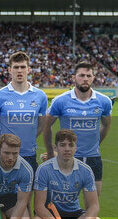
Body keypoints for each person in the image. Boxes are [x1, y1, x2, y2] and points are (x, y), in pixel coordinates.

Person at [30, 129, 109, 219]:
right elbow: (39, 206)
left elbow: (94, 205)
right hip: (50, 214)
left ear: (76, 148)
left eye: (71, 145)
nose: (67, 149)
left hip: (73, 214)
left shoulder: (85, 170)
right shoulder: (44, 169)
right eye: (63, 145)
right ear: (56, 147)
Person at [44, 61, 112, 195]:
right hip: (67, 158)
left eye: (88, 75)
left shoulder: (104, 101)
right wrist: (51, 151)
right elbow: (46, 126)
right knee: (63, 201)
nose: (85, 79)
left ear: (93, 78)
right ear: (74, 77)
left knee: (93, 201)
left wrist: (96, 143)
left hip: (93, 158)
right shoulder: (61, 101)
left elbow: (106, 124)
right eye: (81, 75)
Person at [0, 52, 50, 177]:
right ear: (10, 70)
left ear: (29, 69)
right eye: (16, 67)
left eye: (23, 67)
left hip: (29, 154)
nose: (19, 70)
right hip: (4, 154)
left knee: (27, 194)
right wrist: (4, 145)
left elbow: (40, 126)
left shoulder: (40, 96)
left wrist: (28, 139)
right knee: (3, 193)